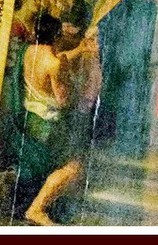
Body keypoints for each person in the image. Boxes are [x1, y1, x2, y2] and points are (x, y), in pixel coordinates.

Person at [13, 16, 101, 225]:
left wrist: (80, 49)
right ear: (57, 35)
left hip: (29, 117)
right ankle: (37, 209)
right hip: (46, 126)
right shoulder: (54, 63)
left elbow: (58, 58)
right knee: (75, 167)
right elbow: (63, 100)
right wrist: (73, 82)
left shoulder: (29, 51)